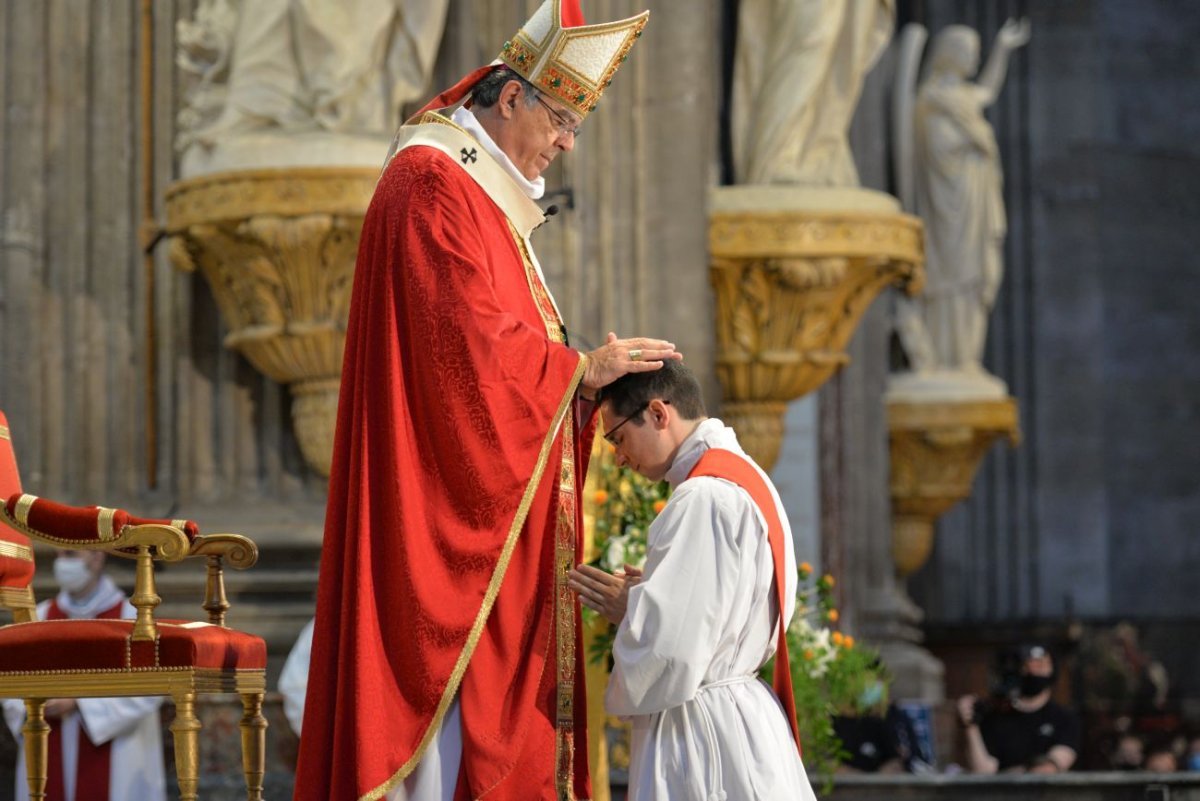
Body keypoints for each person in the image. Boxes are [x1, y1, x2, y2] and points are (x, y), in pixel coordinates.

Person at [292, 2, 661, 799]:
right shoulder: (432, 182)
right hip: (447, 524)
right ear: (511, 99)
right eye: (561, 119)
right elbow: (465, 355)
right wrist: (578, 371)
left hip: (499, 524)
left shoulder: (479, 193)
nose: (565, 143)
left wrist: (579, 379)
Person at [567, 361, 816, 800]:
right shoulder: (747, 479)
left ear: (659, 414)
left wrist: (635, 609)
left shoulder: (701, 497)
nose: (620, 459)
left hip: (701, 736)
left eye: (619, 438)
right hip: (744, 720)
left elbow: (670, 654)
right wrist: (664, 595)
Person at [895, 18, 1030, 377]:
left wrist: (1002, 47)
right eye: (968, 51)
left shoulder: (963, 99)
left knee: (977, 278)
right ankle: (944, 356)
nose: (974, 57)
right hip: (947, 208)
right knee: (951, 277)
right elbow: (935, 150)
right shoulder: (933, 99)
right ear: (949, 55)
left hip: (975, 203)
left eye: (976, 51)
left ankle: (966, 358)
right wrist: (974, 140)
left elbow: (987, 90)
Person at [2, 551, 166, 801]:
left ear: (97, 557)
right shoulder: (38, 616)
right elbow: (9, 682)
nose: (62, 562)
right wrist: (33, 705)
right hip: (48, 743)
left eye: (70, 554)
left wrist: (79, 703)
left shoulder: (134, 619)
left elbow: (153, 687)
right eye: (59, 554)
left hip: (117, 755)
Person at [957, 643, 1080, 774]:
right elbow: (982, 771)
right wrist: (970, 726)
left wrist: (1008, 774)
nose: (1033, 671)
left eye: (1040, 665)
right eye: (1026, 665)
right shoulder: (993, 717)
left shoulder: (1064, 718)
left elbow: (1048, 768)